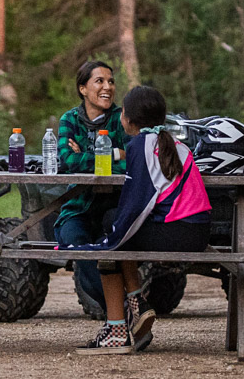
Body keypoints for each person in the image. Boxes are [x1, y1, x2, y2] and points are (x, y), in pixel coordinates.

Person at [62, 85, 210, 355]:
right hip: (198, 231)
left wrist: (110, 241)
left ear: (127, 118)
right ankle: (135, 302)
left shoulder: (141, 145)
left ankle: (117, 329)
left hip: (175, 231)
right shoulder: (178, 145)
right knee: (117, 234)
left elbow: (135, 204)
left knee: (110, 236)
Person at [53, 61, 130, 309]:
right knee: (75, 242)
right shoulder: (70, 120)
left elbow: (134, 160)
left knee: (122, 241)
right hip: (79, 206)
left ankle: (121, 314)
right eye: (99, 81)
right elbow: (68, 160)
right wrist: (114, 153)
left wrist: (90, 158)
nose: (107, 87)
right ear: (83, 88)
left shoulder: (122, 119)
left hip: (115, 207)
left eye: (111, 81)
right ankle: (122, 311)